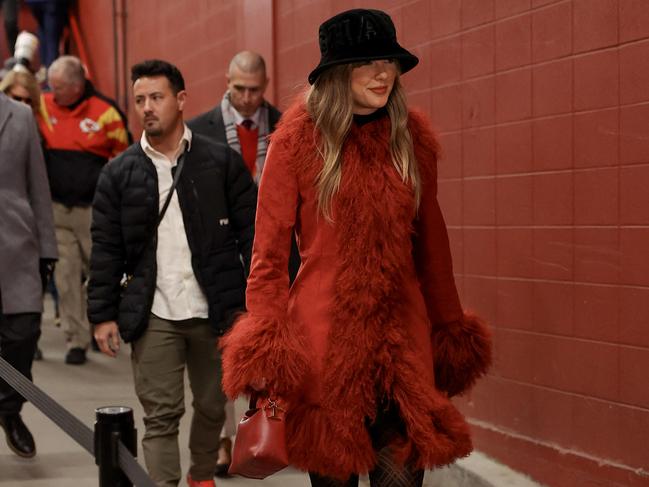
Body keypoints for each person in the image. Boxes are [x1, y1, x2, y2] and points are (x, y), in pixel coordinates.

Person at [220, 9, 492, 487]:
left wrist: (449, 328)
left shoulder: (411, 141)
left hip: (402, 342)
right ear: (337, 74)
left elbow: (434, 247)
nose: (383, 72)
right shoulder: (296, 142)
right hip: (325, 342)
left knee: (402, 479)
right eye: (368, 63)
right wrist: (265, 339)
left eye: (388, 61)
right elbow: (267, 256)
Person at [88, 59, 257, 487]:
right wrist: (102, 314)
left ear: (180, 100)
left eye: (156, 97)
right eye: (140, 99)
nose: (147, 107)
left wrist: (260, 306)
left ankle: (201, 476)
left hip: (214, 309)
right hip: (154, 312)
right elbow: (105, 249)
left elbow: (254, 235)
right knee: (160, 416)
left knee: (213, 407)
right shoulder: (119, 173)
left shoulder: (220, 163)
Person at [188, 49, 295, 475]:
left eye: (255, 90)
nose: (248, 98)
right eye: (239, 89)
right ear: (226, 82)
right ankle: (220, 440)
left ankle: (271, 431)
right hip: (220, 255)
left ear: (265, 86)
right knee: (220, 351)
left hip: (274, 254)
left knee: (271, 345)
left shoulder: (287, 126)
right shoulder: (199, 131)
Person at [37, 55, 129, 365]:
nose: (52, 90)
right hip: (57, 210)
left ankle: (100, 328)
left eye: (59, 86)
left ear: (77, 86)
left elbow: (123, 159)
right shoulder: (43, 106)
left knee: (100, 273)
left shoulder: (106, 113)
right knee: (66, 276)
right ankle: (75, 341)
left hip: (94, 212)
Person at [0, 92, 57, 459]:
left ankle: (9, 410)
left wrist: (47, 249)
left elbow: (38, 187)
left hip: (15, 249)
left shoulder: (20, 116)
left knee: (23, 333)